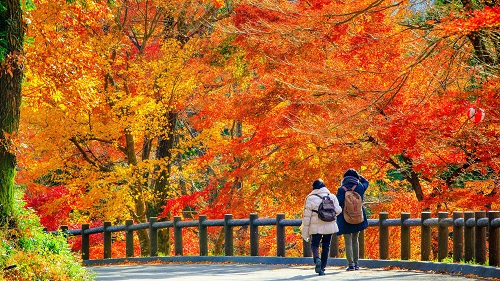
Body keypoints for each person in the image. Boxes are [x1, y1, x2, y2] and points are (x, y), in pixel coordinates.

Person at [301, 179, 342, 276]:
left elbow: (306, 217)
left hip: (316, 226)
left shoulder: (310, 198)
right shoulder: (331, 196)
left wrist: (305, 233)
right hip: (329, 224)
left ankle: (317, 259)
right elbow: (338, 210)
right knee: (326, 246)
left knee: (314, 244)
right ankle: (322, 268)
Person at [336, 168, 369, 271]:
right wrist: (360, 177)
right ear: (356, 177)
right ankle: (356, 263)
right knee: (355, 240)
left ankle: (350, 265)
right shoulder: (360, 187)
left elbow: (338, 203)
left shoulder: (342, 189)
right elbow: (366, 182)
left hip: (345, 218)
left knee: (348, 241)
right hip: (358, 217)